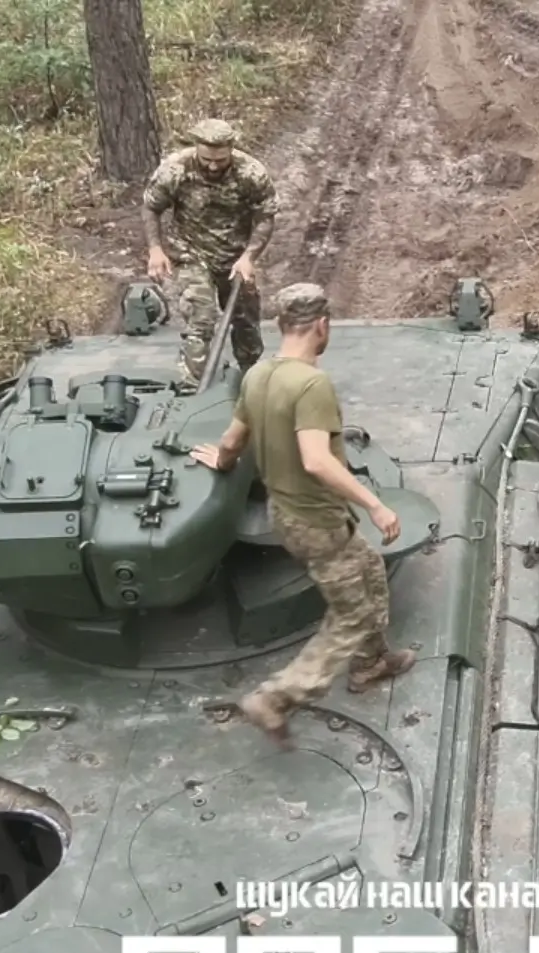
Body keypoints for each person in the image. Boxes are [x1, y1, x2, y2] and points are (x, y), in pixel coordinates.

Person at [191, 283, 417, 747]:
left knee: (369, 568)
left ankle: (372, 661)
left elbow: (233, 440)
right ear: (322, 326)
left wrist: (222, 461)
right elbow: (316, 460)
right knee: (349, 617)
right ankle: (276, 698)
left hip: (286, 512)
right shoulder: (312, 384)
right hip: (316, 520)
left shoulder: (257, 376)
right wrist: (374, 504)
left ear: (280, 326)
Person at [141, 118, 278, 383]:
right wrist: (156, 249)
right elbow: (151, 207)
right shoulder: (176, 169)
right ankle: (193, 384)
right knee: (200, 317)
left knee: (245, 322)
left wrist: (249, 257)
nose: (213, 166)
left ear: (231, 151)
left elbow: (265, 216)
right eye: (206, 160)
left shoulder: (251, 173)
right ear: (196, 149)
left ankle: (252, 378)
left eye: (220, 160)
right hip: (191, 253)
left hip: (235, 256)